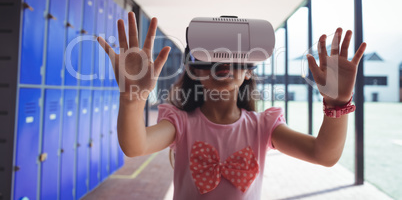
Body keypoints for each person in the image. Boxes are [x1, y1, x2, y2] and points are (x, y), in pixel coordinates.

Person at [97, 12, 367, 200]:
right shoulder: (180, 124)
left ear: (249, 71)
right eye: (210, 57)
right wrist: (132, 97)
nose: (222, 64)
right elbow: (135, 146)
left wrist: (337, 103)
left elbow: (323, 154)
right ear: (194, 70)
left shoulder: (264, 126)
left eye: (235, 57)